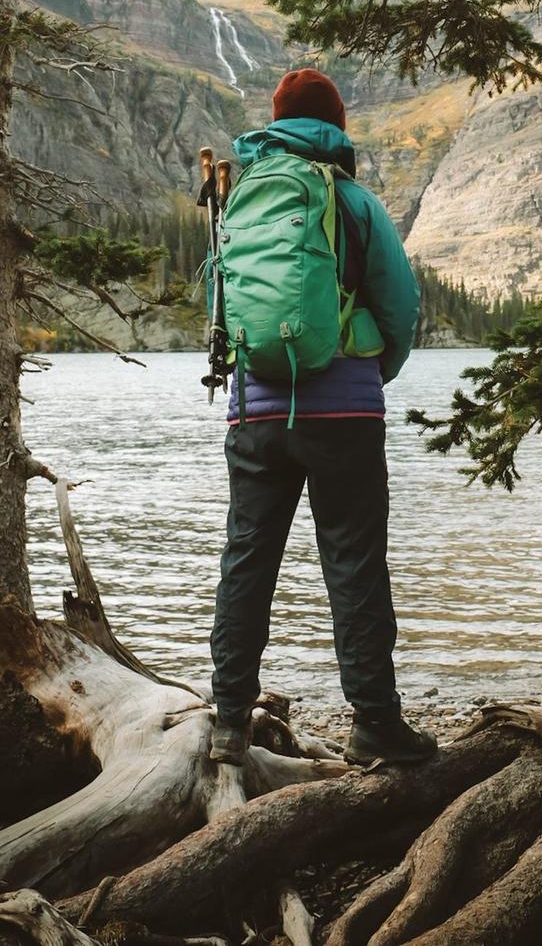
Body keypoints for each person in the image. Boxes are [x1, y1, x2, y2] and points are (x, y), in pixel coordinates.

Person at [208, 67, 437, 767]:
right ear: (336, 126)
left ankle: (226, 719)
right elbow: (400, 307)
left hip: (254, 412)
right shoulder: (351, 199)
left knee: (247, 558)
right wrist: (372, 369)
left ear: (276, 122)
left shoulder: (242, 199)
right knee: (355, 565)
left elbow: (225, 306)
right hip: (344, 410)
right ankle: (373, 723)